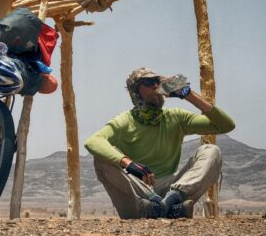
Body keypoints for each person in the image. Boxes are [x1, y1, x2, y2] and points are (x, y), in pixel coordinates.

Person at [84, 67, 235, 219]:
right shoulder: (124, 121)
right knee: (102, 158)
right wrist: (128, 163)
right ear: (135, 91)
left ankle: (172, 200)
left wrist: (188, 94)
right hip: (138, 196)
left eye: (157, 81)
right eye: (149, 82)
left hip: (171, 187)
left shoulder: (176, 117)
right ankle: (161, 207)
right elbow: (93, 141)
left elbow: (226, 125)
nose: (155, 86)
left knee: (211, 151)